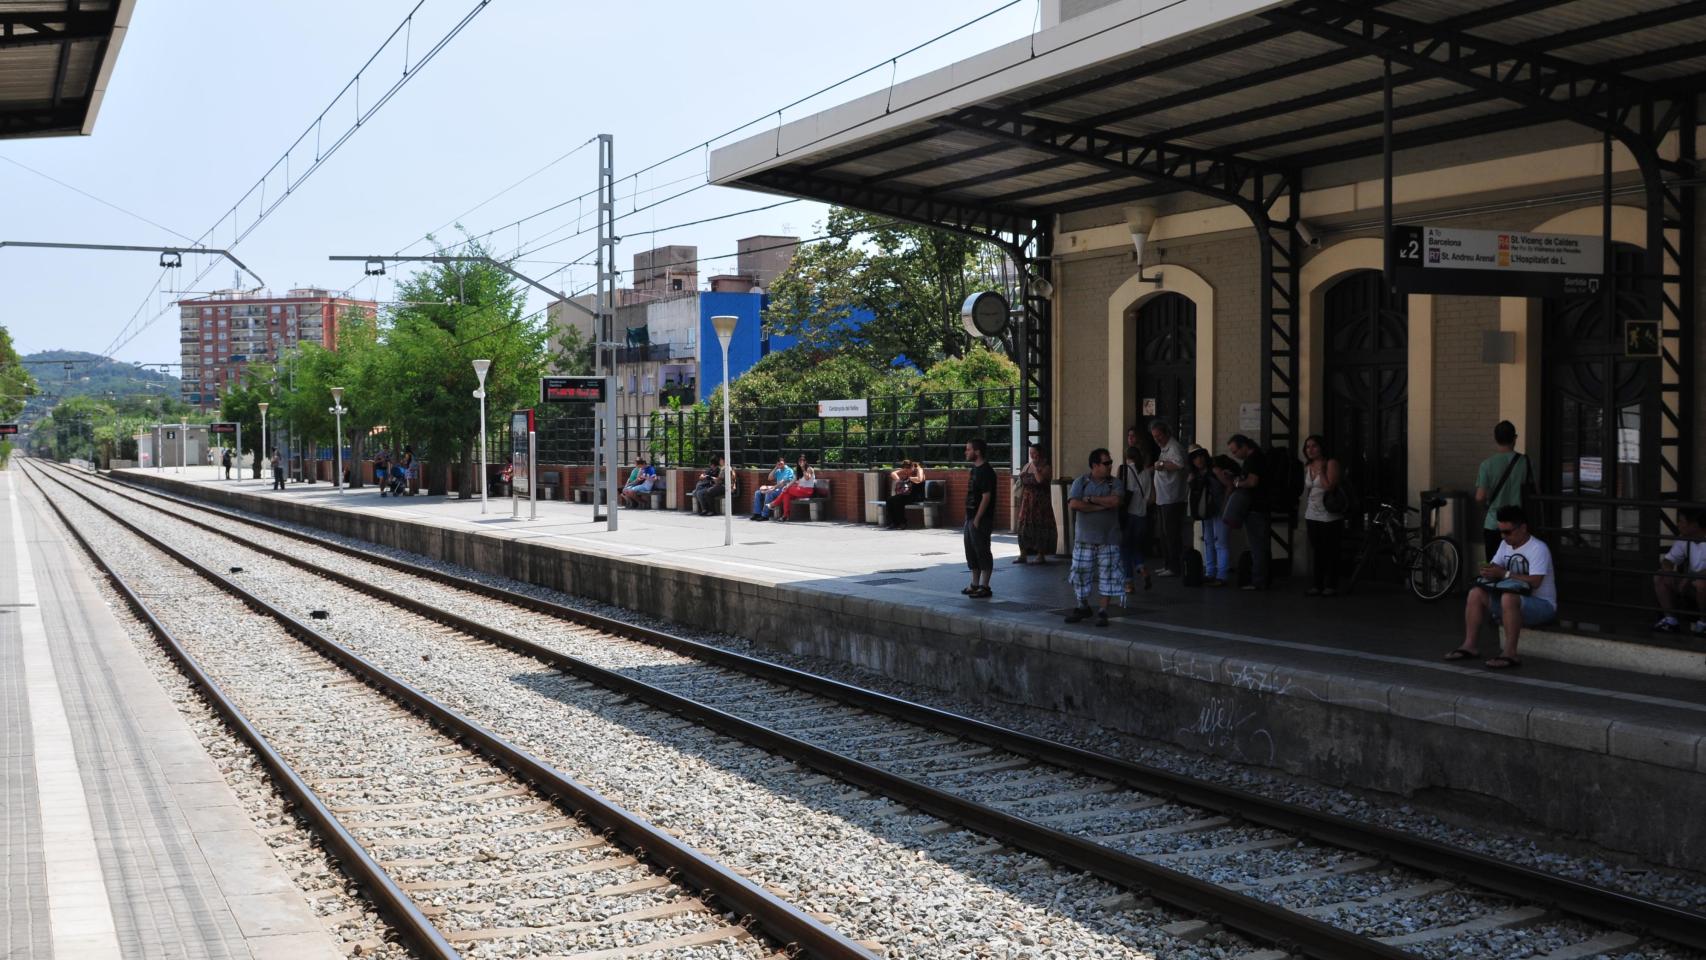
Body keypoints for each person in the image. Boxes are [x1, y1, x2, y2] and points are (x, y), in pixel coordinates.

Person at [1446, 504, 1556, 669]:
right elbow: (1495, 566)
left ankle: (1510, 654)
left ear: (1523, 528)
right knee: (1476, 593)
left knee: (1508, 598)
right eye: (1500, 532)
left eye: (1508, 532)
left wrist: (1504, 574)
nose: (1503, 537)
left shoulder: (1538, 548)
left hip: (1542, 605)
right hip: (1513, 602)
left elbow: (1535, 581)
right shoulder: (1505, 545)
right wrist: (1488, 571)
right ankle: (1469, 646)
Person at [1066, 448, 1125, 626]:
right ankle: (1082, 606)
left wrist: (1091, 500)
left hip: (1109, 538)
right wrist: (1102, 505)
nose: (1110, 466)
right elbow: (1074, 504)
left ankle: (1103, 611)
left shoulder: (1115, 483)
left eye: (1110, 462)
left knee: (1108, 576)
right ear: (1095, 465)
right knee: (1080, 574)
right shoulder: (1080, 482)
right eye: (1106, 463)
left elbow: (1116, 501)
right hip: (1084, 538)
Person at [1475, 420, 1533, 562]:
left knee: (1493, 565)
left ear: (1496, 439)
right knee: (1518, 565)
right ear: (1515, 438)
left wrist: (1486, 508)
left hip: (1494, 524)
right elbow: (1534, 490)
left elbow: (1480, 497)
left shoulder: (1486, 465)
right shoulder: (1526, 462)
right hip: (1518, 524)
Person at [1301, 434, 1345, 596]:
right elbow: (1309, 489)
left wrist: (1322, 471)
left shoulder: (1330, 463)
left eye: (1314, 446)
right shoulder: (1307, 466)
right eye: (1307, 447)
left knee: (1331, 550)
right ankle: (1317, 584)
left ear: (1321, 447)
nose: (1310, 450)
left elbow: (1329, 487)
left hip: (1329, 514)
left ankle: (1331, 584)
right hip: (1312, 514)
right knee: (1317, 550)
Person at [1227, 434, 1271, 590]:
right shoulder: (1258, 458)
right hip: (1259, 507)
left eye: (1235, 451)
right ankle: (1262, 579)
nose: (1235, 455)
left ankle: (1258, 581)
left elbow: (1252, 482)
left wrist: (1238, 483)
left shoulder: (1253, 460)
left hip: (1255, 508)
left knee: (1257, 546)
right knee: (1260, 545)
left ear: (1244, 446)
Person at [1653, 508, 1706, 635]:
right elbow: (1668, 560)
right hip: (1692, 583)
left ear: (1695, 525)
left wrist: (1688, 577)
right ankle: (1670, 621)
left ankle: (1704, 623)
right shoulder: (1684, 538)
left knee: (1701, 583)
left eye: (1682, 521)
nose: (1679, 525)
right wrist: (1669, 571)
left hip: (1699, 583)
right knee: (1660, 576)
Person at [1188, 447, 1233, 587]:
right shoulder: (1196, 475)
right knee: (1209, 541)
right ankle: (1211, 572)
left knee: (1220, 543)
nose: (1199, 460)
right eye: (1196, 457)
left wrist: (1225, 504)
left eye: (1201, 456)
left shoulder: (1215, 471)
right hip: (1206, 512)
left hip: (1218, 510)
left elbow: (1229, 486)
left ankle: (1221, 575)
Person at [1149, 420, 1188, 577]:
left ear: (1166, 433)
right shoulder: (1164, 448)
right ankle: (1167, 564)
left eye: (1159, 435)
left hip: (1172, 498)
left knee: (1171, 534)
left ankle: (1174, 567)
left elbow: (1179, 465)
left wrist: (1161, 464)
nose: (1156, 439)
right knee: (1164, 534)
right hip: (1163, 497)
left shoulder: (1174, 447)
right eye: (1154, 436)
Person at [961, 438, 997, 598]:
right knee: (971, 551)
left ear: (978, 452)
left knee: (982, 550)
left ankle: (985, 586)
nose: (966, 452)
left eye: (968, 449)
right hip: (969, 517)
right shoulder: (974, 470)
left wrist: (977, 518)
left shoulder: (986, 471)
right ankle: (974, 584)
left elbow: (987, 496)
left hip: (980, 519)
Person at [1118, 444, 1154, 593]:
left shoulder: (1124, 470)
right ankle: (1142, 568)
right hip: (1142, 515)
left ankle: (1129, 583)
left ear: (1127, 457)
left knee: (1125, 548)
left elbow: (1118, 491)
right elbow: (1150, 497)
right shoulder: (1146, 472)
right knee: (1135, 546)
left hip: (1127, 515)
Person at [1013, 446, 1055, 562]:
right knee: (1023, 526)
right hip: (1027, 501)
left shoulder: (1046, 468)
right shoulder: (1027, 465)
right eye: (1031, 452)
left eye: (1034, 452)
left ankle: (1040, 555)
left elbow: (1040, 480)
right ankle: (1023, 554)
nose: (1032, 455)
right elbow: (1021, 478)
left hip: (1041, 502)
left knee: (1040, 526)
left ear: (1040, 454)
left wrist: (1036, 467)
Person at [885, 459, 927, 530]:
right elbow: (893, 473)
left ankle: (902, 523)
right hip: (908, 494)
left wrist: (909, 478)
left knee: (898, 500)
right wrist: (899, 479)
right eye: (905, 470)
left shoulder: (919, 470)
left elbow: (919, 479)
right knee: (890, 500)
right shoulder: (905, 470)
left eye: (908, 470)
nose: (907, 471)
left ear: (912, 467)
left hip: (918, 495)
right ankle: (893, 523)